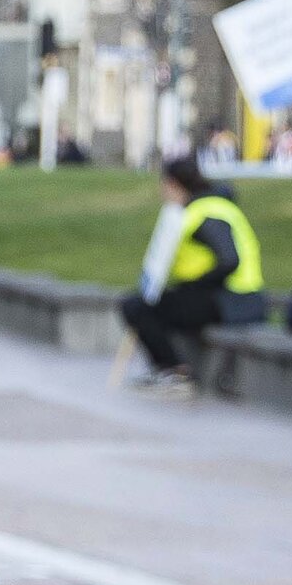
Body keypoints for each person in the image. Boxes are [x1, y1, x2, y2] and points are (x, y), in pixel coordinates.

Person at [114, 151, 268, 399]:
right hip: (231, 298)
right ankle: (170, 369)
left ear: (173, 184)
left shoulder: (206, 213)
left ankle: (175, 371)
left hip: (232, 299)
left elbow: (229, 260)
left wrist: (196, 284)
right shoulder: (207, 207)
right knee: (149, 304)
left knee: (137, 307)